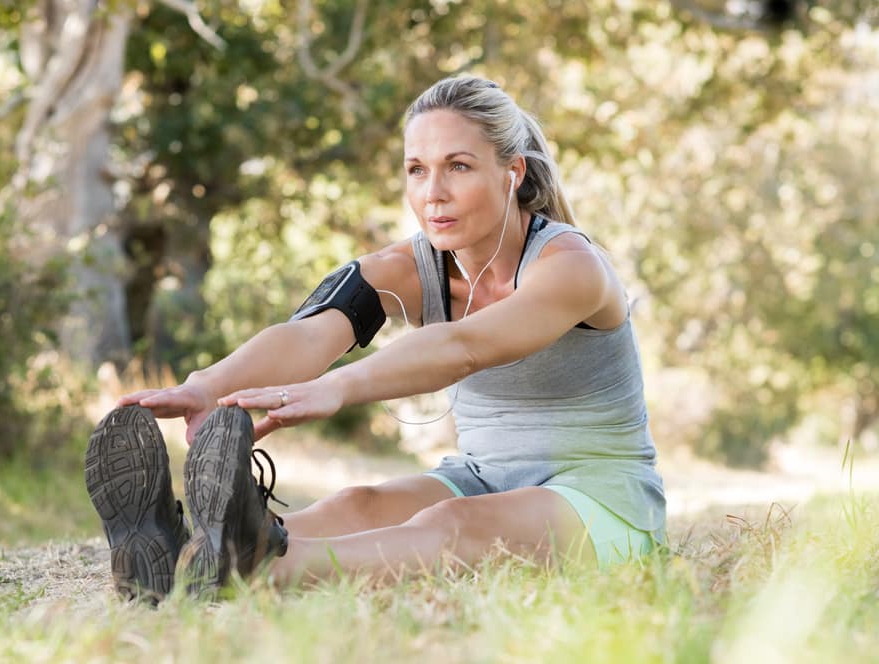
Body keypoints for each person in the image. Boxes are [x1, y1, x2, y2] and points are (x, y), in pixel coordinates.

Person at [84, 75, 666, 602]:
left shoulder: (572, 267)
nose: (432, 192)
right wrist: (205, 387)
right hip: (482, 476)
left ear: (512, 172)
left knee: (450, 529)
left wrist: (340, 388)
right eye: (417, 169)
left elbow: (462, 347)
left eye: (458, 166)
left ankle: (253, 567)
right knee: (355, 505)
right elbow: (308, 336)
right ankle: (176, 557)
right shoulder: (406, 267)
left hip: (601, 496)